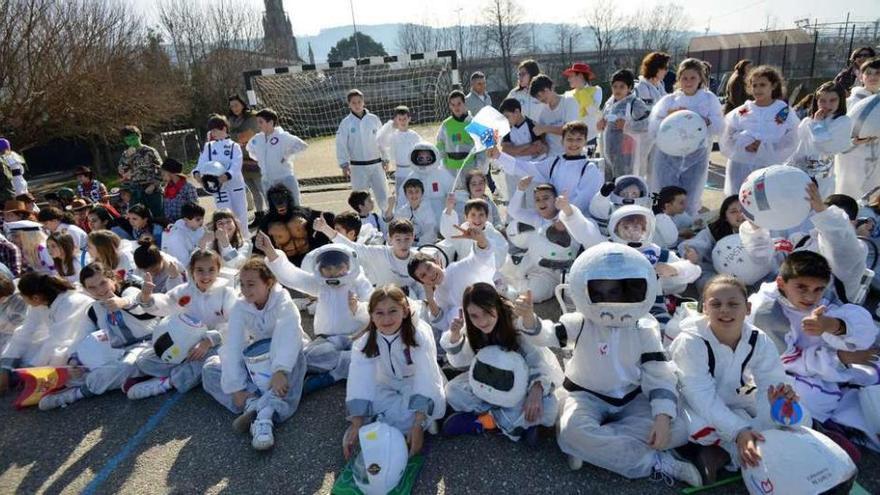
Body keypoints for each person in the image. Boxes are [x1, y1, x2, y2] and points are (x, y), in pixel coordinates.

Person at [521, 243, 700, 486]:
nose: (607, 301)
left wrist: (662, 416)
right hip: (584, 395)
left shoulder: (644, 327)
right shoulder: (580, 321)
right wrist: (530, 318)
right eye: (599, 294)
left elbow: (658, 373)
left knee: (678, 427)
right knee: (573, 430)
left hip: (632, 396)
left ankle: (592, 449)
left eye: (613, 292)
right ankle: (655, 462)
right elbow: (548, 334)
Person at [669, 275, 810, 483]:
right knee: (694, 429)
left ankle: (734, 452)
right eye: (716, 304)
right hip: (691, 402)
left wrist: (781, 399)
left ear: (748, 308)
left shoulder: (757, 338)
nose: (724, 310)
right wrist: (740, 431)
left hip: (736, 393)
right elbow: (700, 395)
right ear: (704, 309)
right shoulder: (689, 341)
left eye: (733, 304)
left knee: (802, 415)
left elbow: (771, 380)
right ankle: (716, 454)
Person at [747, 252, 879, 451]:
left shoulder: (822, 299)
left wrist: (834, 325)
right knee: (805, 398)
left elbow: (861, 323)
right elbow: (783, 361)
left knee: (873, 365)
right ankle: (824, 429)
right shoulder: (768, 313)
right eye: (802, 287)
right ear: (781, 283)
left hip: (827, 365)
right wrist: (841, 358)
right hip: (790, 372)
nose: (810, 296)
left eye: (818, 289)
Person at [201, 258, 308, 451]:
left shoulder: (283, 300)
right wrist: (236, 387)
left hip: (284, 358)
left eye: (251, 284)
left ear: (268, 283)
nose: (245, 289)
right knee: (211, 368)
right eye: (242, 284)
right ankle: (251, 401)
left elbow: (288, 334)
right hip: (258, 361)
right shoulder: (241, 307)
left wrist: (280, 370)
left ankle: (265, 417)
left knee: (297, 358)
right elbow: (233, 344)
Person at [440, 283, 562, 444]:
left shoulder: (516, 324)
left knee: (550, 407)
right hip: (489, 381)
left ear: (496, 306)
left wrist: (537, 389)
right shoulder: (472, 328)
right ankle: (505, 422)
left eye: (486, 312)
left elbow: (537, 361)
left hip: (520, 383)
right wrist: (455, 336)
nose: (482, 321)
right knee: (452, 391)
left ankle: (484, 420)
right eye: (474, 315)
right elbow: (460, 361)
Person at [258, 232, 372, 392]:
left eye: (339, 267)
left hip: (357, 337)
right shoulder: (321, 285)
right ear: (320, 269)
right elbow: (293, 276)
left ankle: (333, 373)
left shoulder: (359, 283)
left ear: (349, 265)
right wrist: (270, 251)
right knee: (308, 357)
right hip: (327, 340)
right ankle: (346, 365)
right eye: (328, 268)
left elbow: (376, 309)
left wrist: (358, 308)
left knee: (372, 352)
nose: (334, 272)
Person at [37, 262, 160, 410]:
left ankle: (76, 394)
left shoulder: (129, 289)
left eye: (103, 283)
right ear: (86, 290)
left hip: (150, 344)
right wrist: (74, 360)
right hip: (118, 353)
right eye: (92, 288)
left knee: (126, 366)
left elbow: (138, 303)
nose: (100, 290)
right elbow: (82, 336)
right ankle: (137, 379)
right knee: (81, 373)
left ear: (113, 279)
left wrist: (122, 303)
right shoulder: (94, 310)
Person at [343, 285, 446, 459]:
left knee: (414, 414)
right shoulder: (365, 341)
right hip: (386, 383)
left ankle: (417, 422)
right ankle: (392, 421)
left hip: (415, 383)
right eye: (379, 313)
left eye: (392, 311)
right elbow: (359, 379)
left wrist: (418, 423)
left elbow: (426, 375)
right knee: (365, 405)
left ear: (404, 312)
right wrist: (357, 422)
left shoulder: (419, 334)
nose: (386, 319)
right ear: (372, 316)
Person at [130, 249, 235, 400]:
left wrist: (208, 341)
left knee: (208, 363)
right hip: (185, 342)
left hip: (214, 344)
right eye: (200, 270)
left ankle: (167, 383)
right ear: (191, 270)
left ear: (218, 271)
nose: (206, 276)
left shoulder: (227, 293)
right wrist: (146, 297)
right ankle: (179, 369)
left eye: (211, 270)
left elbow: (235, 324)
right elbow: (166, 303)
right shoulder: (184, 290)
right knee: (144, 361)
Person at [740, 184, 868, 304]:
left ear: (853, 223)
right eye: (820, 212)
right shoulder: (802, 240)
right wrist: (755, 227)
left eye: (840, 218)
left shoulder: (857, 250)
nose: (823, 217)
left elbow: (841, 243)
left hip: (824, 318)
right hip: (783, 308)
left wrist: (824, 212)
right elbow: (764, 257)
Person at [649, 58, 725, 216]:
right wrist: (668, 118)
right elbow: (654, 126)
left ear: (700, 79)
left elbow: (719, 124)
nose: (688, 82)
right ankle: (665, 227)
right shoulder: (669, 100)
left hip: (696, 155)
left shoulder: (708, 99)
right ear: (678, 79)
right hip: (667, 156)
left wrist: (705, 121)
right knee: (666, 194)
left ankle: (687, 226)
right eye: (684, 78)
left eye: (693, 78)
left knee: (690, 195)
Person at [0, 272, 92, 393]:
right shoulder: (39, 303)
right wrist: (5, 367)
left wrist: (31, 370)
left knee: (59, 356)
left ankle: (20, 378)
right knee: (27, 353)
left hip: (83, 342)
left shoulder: (70, 302)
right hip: (61, 341)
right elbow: (24, 332)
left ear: (35, 298)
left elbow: (56, 341)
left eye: (23, 296)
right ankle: (13, 376)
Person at [490, 121, 603, 215]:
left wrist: (566, 216)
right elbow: (526, 168)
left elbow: (584, 199)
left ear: (585, 141)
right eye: (569, 139)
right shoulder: (554, 163)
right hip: (553, 218)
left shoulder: (589, 169)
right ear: (562, 141)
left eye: (579, 139)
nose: (574, 143)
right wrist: (499, 156)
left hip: (576, 221)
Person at [721, 65, 800, 196]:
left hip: (768, 167)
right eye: (754, 85)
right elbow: (726, 134)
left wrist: (766, 147)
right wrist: (743, 144)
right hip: (740, 166)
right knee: (739, 199)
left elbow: (793, 138)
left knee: (764, 202)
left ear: (773, 86)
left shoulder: (783, 111)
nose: (758, 89)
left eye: (762, 85)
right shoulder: (742, 111)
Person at [314, 216, 422, 295]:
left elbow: (423, 287)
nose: (403, 244)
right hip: (382, 300)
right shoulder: (380, 253)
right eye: (398, 239)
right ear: (389, 239)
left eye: (407, 239)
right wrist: (324, 228)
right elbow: (351, 247)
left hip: (409, 301)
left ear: (413, 237)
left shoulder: (418, 258)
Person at [787, 82, 853, 197]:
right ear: (816, 101)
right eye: (822, 100)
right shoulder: (808, 121)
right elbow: (799, 147)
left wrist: (818, 124)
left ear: (840, 100)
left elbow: (826, 146)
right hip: (800, 173)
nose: (827, 105)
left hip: (822, 178)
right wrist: (789, 166)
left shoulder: (843, 122)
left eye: (833, 100)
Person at [195, 114, 249, 234]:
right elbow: (201, 162)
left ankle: (245, 240)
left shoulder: (234, 146)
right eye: (211, 131)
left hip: (235, 186)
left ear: (224, 128)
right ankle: (229, 241)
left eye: (215, 130)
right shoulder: (208, 146)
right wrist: (197, 173)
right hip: (218, 187)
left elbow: (236, 164)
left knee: (240, 214)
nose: (213, 133)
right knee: (224, 216)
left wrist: (227, 175)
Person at [835, 57, 880, 199]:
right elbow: (837, 133)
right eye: (868, 73)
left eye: (878, 73)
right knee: (850, 200)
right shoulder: (849, 102)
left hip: (876, 160)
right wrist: (852, 142)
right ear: (861, 76)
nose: (873, 77)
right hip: (852, 160)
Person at [336, 90, 389, 209]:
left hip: (376, 165)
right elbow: (341, 144)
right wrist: (344, 164)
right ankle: (364, 225)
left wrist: (385, 158)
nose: (357, 105)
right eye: (353, 103)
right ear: (349, 104)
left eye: (359, 102)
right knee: (360, 201)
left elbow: (382, 141)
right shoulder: (345, 123)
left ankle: (386, 224)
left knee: (383, 197)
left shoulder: (374, 119)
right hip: (357, 167)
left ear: (363, 102)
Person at [246, 108, 308, 206]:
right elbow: (249, 149)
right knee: (272, 208)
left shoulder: (283, 136)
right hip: (267, 179)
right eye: (257, 122)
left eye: (261, 122)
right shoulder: (257, 139)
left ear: (270, 122)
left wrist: (286, 155)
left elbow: (302, 145)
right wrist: (260, 159)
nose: (259, 125)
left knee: (294, 206)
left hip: (285, 177)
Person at [598, 69, 651, 179]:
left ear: (630, 88)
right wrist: (601, 124)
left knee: (626, 185)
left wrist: (628, 126)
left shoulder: (635, 103)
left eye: (622, 86)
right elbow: (603, 125)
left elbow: (648, 124)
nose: (617, 90)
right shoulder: (608, 104)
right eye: (615, 86)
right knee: (609, 188)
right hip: (608, 154)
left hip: (627, 155)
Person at [228, 94, 266, 225]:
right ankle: (259, 214)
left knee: (262, 188)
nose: (234, 108)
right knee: (253, 190)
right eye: (232, 106)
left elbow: (245, 136)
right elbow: (230, 138)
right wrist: (234, 137)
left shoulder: (252, 117)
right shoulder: (231, 120)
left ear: (243, 104)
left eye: (236, 105)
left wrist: (235, 137)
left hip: (254, 158)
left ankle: (272, 214)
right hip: (241, 160)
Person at [376, 106, 422, 207]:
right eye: (399, 119)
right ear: (396, 120)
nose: (402, 121)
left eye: (405, 119)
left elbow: (422, 151)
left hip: (413, 172)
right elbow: (379, 140)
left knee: (415, 198)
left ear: (409, 119)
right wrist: (390, 125)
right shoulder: (393, 136)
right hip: (400, 172)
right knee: (400, 199)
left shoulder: (414, 136)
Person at [437, 90, 485, 182]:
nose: (456, 107)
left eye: (459, 103)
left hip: (469, 168)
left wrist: (478, 166)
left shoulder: (474, 123)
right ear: (450, 106)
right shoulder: (446, 124)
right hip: (450, 169)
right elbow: (440, 143)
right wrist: (443, 161)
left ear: (464, 103)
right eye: (453, 104)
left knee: (470, 195)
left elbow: (482, 147)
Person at [117, 125, 164, 218]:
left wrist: (154, 185)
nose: (131, 142)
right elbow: (122, 171)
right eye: (128, 140)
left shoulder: (150, 151)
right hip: (135, 190)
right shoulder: (125, 154)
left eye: (133, 139)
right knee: (137, 217)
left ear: (139, 136)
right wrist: (128, 157)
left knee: (157, 217)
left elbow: (161, 170)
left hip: (151, 189)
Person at [530, 75, 580, 157]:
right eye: (538, 96)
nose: (542, 97)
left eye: (544, 91)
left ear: (552, 87)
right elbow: (540, 134)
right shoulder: (542, 110)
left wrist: (544, 128)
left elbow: (571, 131)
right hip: (551, 158)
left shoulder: (569, 101)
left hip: (571, 156)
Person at [401, 142, 453, 217]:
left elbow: (455, 193)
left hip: (441, 219)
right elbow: (402, 200)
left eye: (428, 159)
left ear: (435, 157)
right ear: (414, 159)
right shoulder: (412, 177)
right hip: (419, 220)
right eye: (420, 159)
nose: (424, 161)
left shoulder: (442, 174)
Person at [383, 178, 437, 246]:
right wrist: (390, 207)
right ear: (406, 195)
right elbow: (392, 229)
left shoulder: (428, 210)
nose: (414, 195)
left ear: (422, 194)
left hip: (422, 246)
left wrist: (417, 247)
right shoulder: (403, 210)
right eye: (410, 192)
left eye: (417, 192)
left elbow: (430, 233)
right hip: (405, 246)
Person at [562, 63, 603, 146]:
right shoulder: (567, 94)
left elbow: (592, 111)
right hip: (571, 139)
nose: (568, 79)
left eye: (571, 76)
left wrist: (581, 90)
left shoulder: (596, 90)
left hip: (590, 138)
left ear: (580, 76)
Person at [161, 202, 206, 267]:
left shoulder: (199, 228)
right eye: (198, 219)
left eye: (202, 218)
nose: (202, 221)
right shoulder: (176, 236)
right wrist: (201, 246)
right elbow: (183, 264)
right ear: (186, 220)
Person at [161, 158, 198, 223]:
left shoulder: (188, 187)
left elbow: (195, 209)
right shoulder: (166, 188)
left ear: (170, 173)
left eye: (163, 173)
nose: (162, 176)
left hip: (185, 224)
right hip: (170, 225)